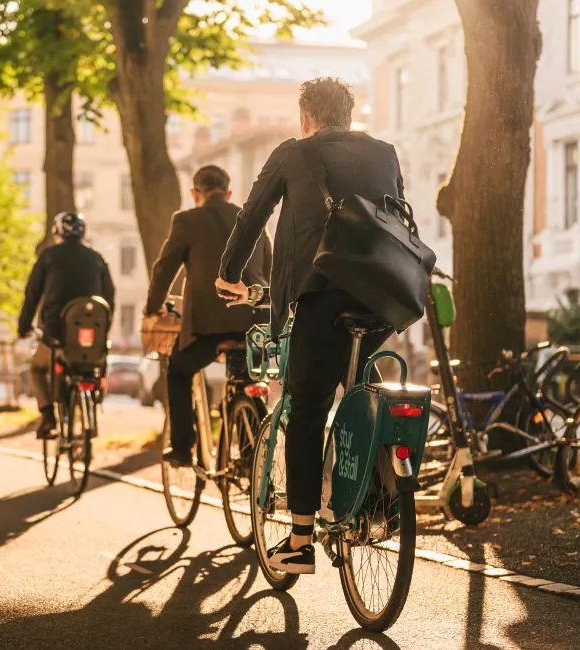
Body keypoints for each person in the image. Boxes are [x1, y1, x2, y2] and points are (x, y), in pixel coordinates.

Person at [217, 77, 402, 575]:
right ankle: (379, 493)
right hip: (383, 301)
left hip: (321, 297)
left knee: (306, 409)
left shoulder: (291, 152)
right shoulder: (385, 152)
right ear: (349, 112)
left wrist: (228, 275)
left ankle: (299, 537)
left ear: (306, 117)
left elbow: (251, 216)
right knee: (363, 386)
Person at [145, 165, 271, 467]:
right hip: (256, 321)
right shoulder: (252, 219)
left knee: (177, 370)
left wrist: (153, 307)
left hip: (209, 325)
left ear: (195, 194)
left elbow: (165, 268)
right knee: (247, 379)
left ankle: (182, 449)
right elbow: (270, 267)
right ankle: (251, 455)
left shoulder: (187, 220)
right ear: (228, 193)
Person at [16, 212, 115, 438]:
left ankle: (48, 415)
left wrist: (24, 326)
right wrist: (104, 327)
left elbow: (32, 293)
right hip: (91, 336)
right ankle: (94, 401)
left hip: (55, 333)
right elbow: (110, 295)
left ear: (57, 233)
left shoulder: (48, 256)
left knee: (37, 368)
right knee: (92, 367)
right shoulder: (98, 258)